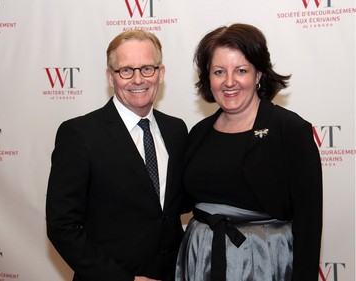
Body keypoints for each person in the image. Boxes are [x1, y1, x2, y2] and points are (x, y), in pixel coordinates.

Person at [175, 23, 322, 281]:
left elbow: (309, 224)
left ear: (258, 75)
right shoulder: (199, 133)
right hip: (201, 262)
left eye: (241, 70)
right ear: (208, 78)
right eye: (219, 71)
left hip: (264, 264)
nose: (229, 82)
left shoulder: (290, 130)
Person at [46, 30, 188, 281]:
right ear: (110, 77)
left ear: (161, 73)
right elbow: (62, 226)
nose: (137, 79)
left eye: (147, 68)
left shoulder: (176, 129)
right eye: (125, 70)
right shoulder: (79, 134)